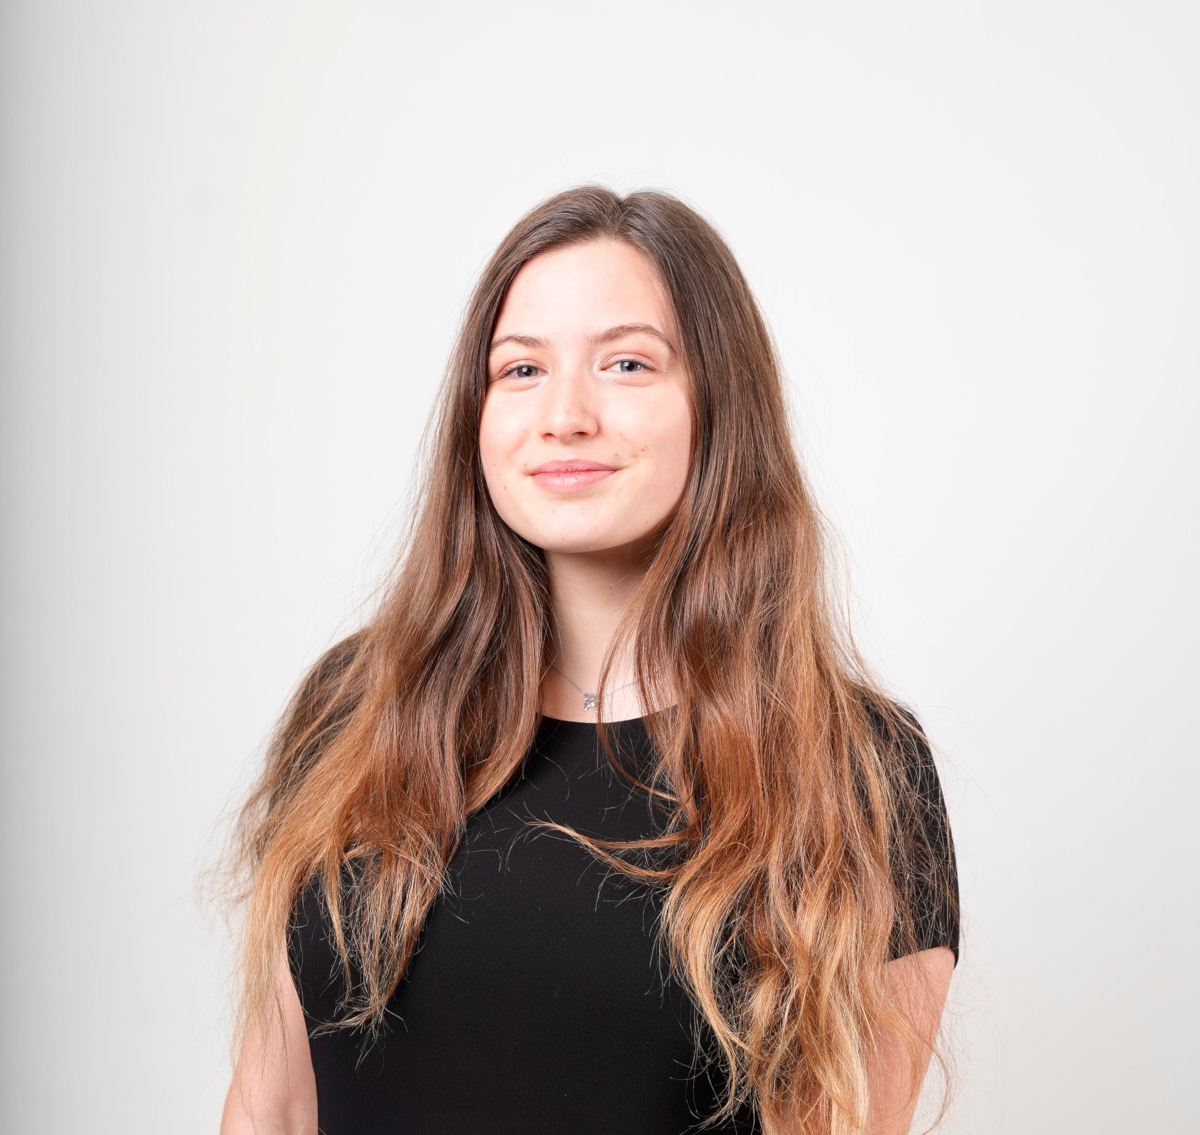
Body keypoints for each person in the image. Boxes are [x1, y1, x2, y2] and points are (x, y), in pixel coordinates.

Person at [218, 186, 961, 1135]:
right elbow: (273, 1107)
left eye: (626, 363)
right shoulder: (354, 709)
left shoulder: (857, 766)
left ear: (718, 404)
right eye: (521, 369)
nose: (564, 415)